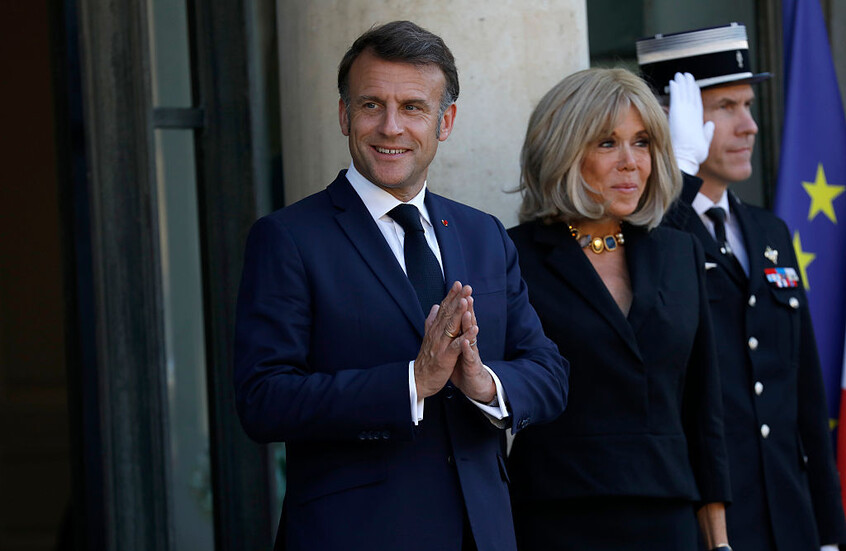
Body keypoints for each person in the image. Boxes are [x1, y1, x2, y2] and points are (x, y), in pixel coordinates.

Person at [233, 20, 568, 551]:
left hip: (483, 534)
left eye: (413, 107)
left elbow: (549, 374)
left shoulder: (484, 234)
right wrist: (411, 382)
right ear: (344, 114)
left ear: (444, 121)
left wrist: (482, 382)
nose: (391, 127)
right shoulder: (289, 238)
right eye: (372, 105)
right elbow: (263, 399)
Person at [637, 23, 846, 551]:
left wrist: (828, 531)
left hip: (789, 516)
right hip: (709, 524)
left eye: (748, 106)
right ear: (672, 119)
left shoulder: (768, 230)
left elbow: (804, 391)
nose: (749, 126)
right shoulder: (650, 234)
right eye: (726, 107)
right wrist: (676, 176)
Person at [506, 67, 731, 551]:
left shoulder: (680, 251)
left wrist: (720, 542)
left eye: (642, 142)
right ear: (563, 150)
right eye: (608, 143)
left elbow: (703, 409)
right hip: (554, 519)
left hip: (668, 518)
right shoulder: (511, 256)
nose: (631, 162)